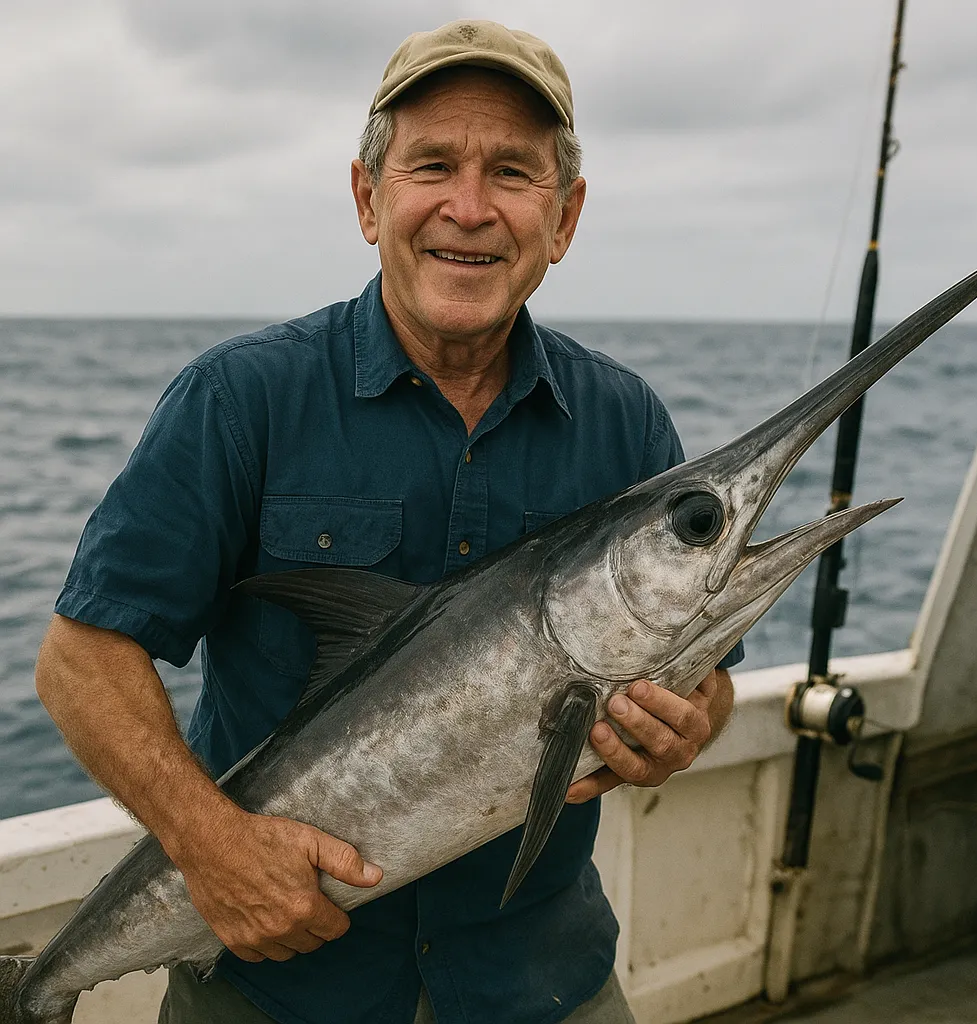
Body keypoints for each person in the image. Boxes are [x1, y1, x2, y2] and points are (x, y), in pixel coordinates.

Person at [35, 19, 742, 1024]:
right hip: (276, 988)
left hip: (539, 984)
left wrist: (683, 731)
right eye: (433, 164)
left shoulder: (626, 421)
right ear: (369, 198)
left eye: (512, 171)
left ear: (565, 216)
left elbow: (707, 678)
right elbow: (80, 660)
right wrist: (213, 847)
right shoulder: (240, 399)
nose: (469, 207)